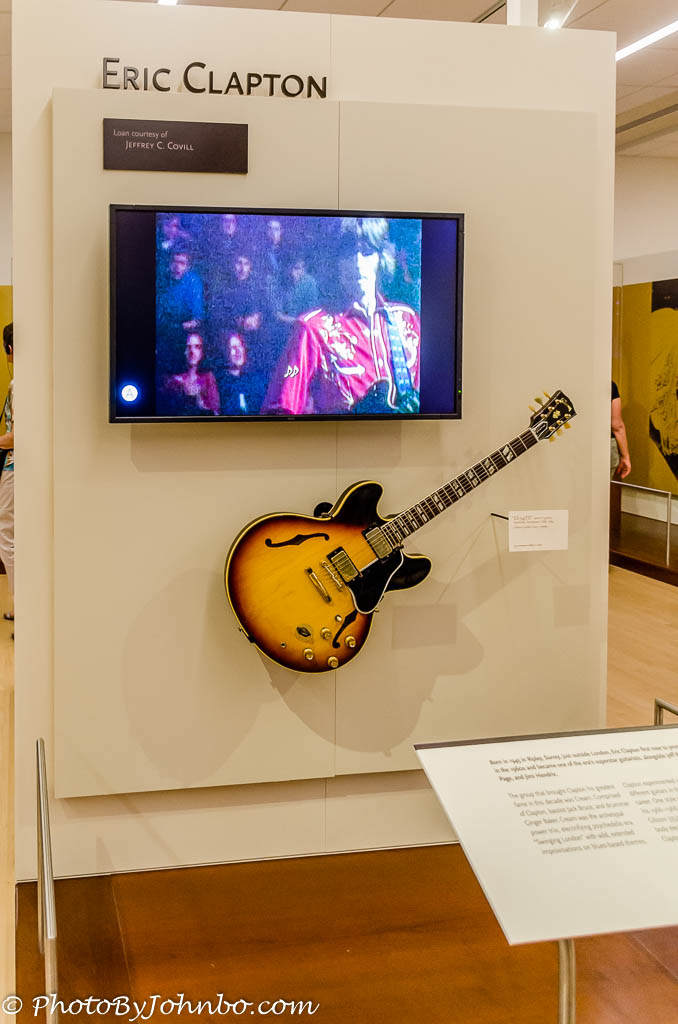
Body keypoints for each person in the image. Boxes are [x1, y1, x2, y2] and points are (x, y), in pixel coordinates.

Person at [262, 219, 420, 415]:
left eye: (367, 252)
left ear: (381, 258)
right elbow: (279, 410)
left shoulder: (407, 320)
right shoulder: (312, 328)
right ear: (335, 263)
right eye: (348, 255)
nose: (357, 264)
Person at [156, 250, 204, 378]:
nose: (177, 266)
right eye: (174, 262)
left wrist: (185, 325)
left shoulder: (193, 281)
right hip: (164, 331)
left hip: (185, 333)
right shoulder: (162, 281)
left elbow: (197, 318)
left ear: (187, 266)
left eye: (182, 263)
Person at [159, 333, 220, 416]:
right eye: (188, 347)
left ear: (202, 352)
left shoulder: (208, 379)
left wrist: (201, 404)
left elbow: (216, 413)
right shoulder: (172, 381)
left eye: (197, 347)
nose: (192, 351)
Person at [0, 323, 14, 633]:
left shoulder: (18, 385)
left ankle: (21, 606)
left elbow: (18, 436)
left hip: (15, 467)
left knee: (8, 538)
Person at [611, 380, 631, 479]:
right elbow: (616, 426)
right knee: (600, 486)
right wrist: (625, 457)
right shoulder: (608, 384)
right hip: (604, 445)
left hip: (574, 443)